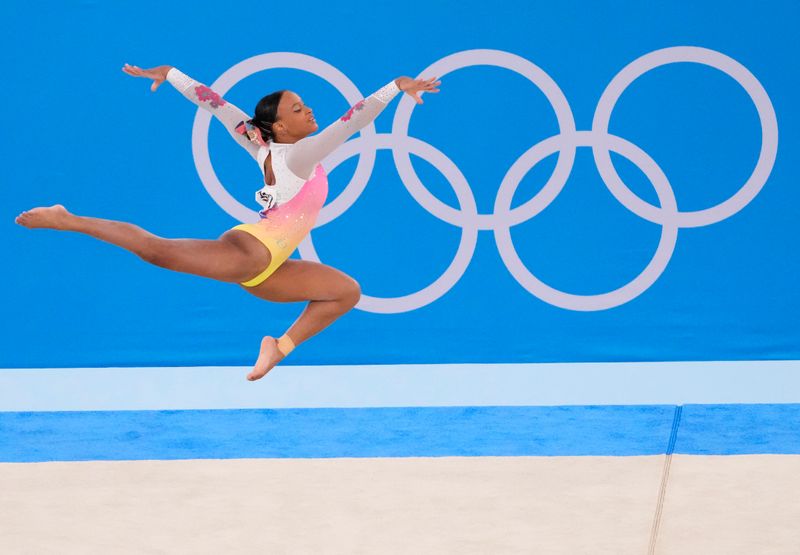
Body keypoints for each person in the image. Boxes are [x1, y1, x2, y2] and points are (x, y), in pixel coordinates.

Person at [15, 62, 440, 380]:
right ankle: (67, 219)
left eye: (306, 104)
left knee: (346, 292)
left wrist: (170, 73)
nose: (309, 111)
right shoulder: (299, 155)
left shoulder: (265, 147)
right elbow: (354, 119)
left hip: (271, 269)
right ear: (279, 125)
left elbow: (216, 104)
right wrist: (396, 87)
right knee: (157, 251)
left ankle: (278, 346)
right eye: (298, 108)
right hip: (251, 252)